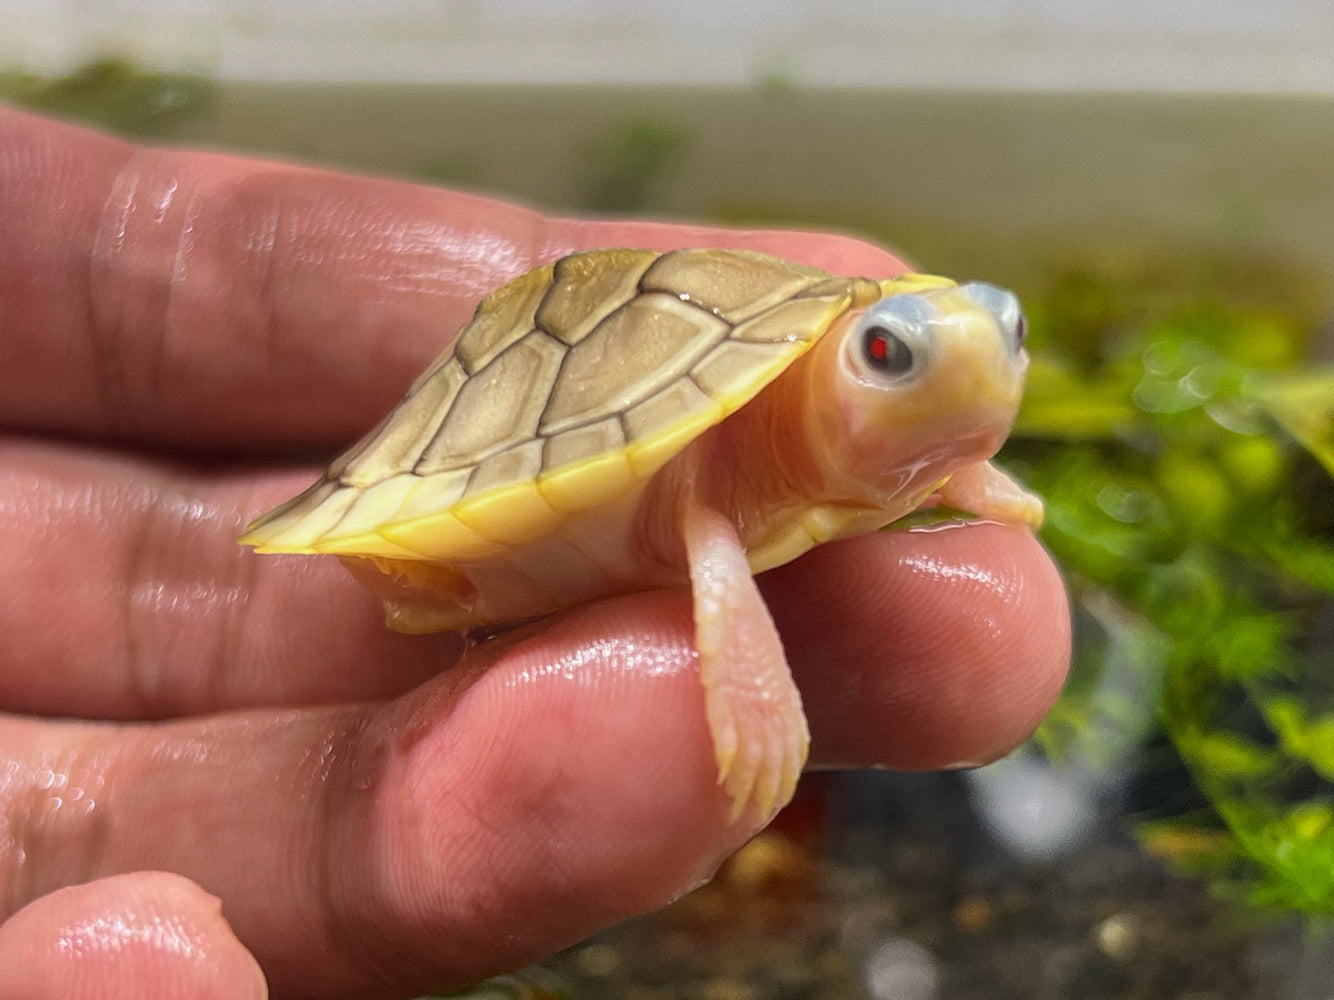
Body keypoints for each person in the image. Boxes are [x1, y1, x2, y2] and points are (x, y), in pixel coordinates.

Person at [0, 106, 1071, 999]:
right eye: (887, 356)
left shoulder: (854, 436)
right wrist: (751, 688)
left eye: (1002, 337)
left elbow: (919, 440)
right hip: (514, 484)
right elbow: (710, 535)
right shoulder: (729, 471)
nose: (976, 373)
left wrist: (951, 463)